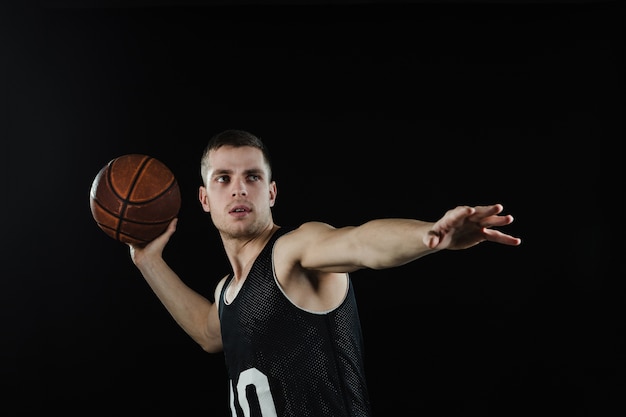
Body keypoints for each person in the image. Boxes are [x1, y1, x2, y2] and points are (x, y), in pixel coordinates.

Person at [128, 129, 522, 417]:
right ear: (204, 199)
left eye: (252, 177)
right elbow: (208, 332)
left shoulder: (292, 252)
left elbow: (359, 243)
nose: (238, 190)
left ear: (271, 193)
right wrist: (148, 261)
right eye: (223, 179)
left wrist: (429, 235)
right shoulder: (228, 291)